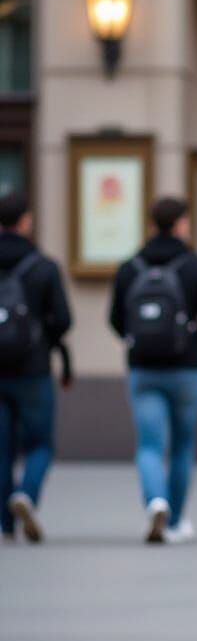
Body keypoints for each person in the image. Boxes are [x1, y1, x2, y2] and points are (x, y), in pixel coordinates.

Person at [109, 197, 197, 545]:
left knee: (149, 444)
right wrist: (195, 345)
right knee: (182, 446)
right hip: (186, 370)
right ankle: (174, 520)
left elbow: (116, 318)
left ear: (152, 224)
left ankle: (155, 500)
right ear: (181, 224)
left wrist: (136, 342)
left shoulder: (130, 267)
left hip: (143, 369)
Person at [0, 192, 72, 544]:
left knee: (1, 447)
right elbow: (63, 320)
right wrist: (42, 337)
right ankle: (26, 494)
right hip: (32, 369)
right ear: (26, 221)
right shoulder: (42, 266)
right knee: (40, 442)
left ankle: (6, 524)